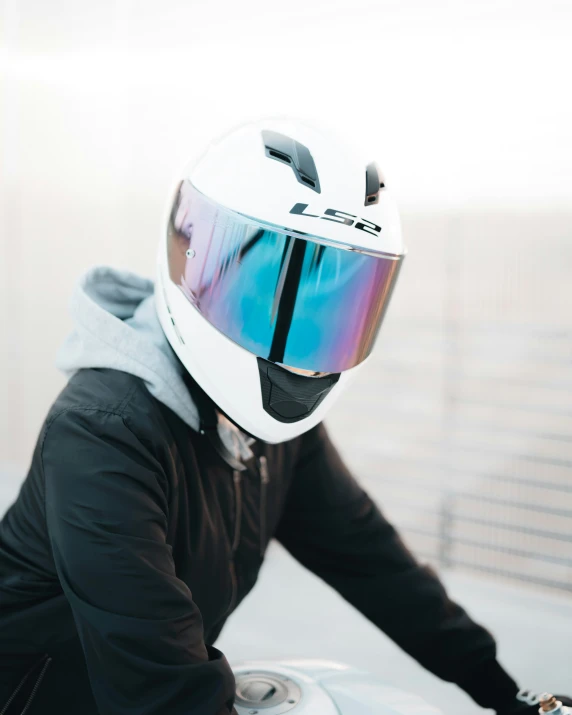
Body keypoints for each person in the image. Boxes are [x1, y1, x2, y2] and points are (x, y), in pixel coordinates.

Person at [0, 119, 568, 715]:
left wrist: (505, 692)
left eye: (330, 305)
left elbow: (366, 556)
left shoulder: (267, 430)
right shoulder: (103, 432)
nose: (296, 338)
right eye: (265, 294)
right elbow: (158, 677)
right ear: (190, 259)